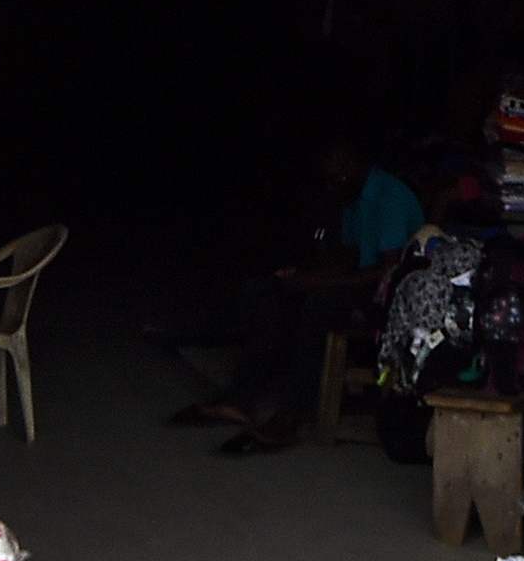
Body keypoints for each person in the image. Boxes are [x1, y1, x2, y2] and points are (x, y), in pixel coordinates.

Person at [178, 134, 423, 456]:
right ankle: (240, 397)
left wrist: (317, 284)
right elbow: (348, 258)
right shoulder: (354, 197)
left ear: (349, 167)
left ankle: (292, 414)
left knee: (319, 306)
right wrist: (304, 275)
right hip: (363, 287)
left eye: (335, 176)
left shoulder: (388, 196)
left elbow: (388, 274)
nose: (330, 184)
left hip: (393, 300)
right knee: (266, 292)